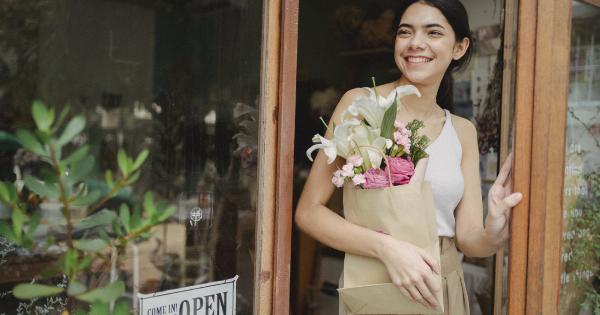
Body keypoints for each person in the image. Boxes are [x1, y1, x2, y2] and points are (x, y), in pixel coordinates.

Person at [294, 1, 523, 314]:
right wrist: (386, 248)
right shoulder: (362, 104)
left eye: (433, 32)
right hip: (376, 280)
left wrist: (494, 231)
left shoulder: (462, 131)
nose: (416, 42)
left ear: (459, 47)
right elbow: (308, 212)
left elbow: (469, 240)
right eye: (406, 32)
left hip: (440, 284)